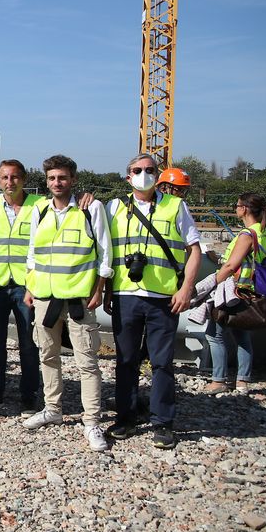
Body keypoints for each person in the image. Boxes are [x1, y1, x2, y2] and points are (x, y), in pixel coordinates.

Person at [105, 153, 202, 450]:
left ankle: (163, 422)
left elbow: (194, 249)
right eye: (137, 170)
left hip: (163, 297)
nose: (143, 174)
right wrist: (107, 290)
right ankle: (126, 417)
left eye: (149, 170)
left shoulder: (175, 205)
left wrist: (186, 288)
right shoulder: (114, 208)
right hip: (126, 296)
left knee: (161, 363)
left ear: (158, 175)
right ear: (128, 176)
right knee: (125, 361)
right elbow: (105, 251)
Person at [22, 154, 112, 452]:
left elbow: (104, 255)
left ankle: (92, 421)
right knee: (47, 355)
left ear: (73, 179)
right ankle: (53, 409)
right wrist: (29, 286)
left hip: (79, 298)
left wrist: (99, 290)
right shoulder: (41, 210)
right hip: (45, 296)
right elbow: (33, 252)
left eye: (62, 178)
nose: (56, 183)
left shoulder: (91, 208)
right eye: (51, 178)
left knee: (87, 362)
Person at [0, 160, 43, 416]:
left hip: (27, 287)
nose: (9, 182)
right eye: (4, 177)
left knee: (28, 344)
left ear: (24, 179)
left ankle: (29, 396)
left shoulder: (40, 206)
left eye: (14, 177)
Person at [205, 193, 266, 393]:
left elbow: (232, 265)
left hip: (233, 291)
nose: (235, 208)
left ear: (244, 209)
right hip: (250, 291)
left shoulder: (246, 234)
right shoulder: (263, 233)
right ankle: (243, 381)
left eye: (237, 205)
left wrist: (208, 284)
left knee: (214, 334)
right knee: (242, 335)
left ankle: (218, 380)